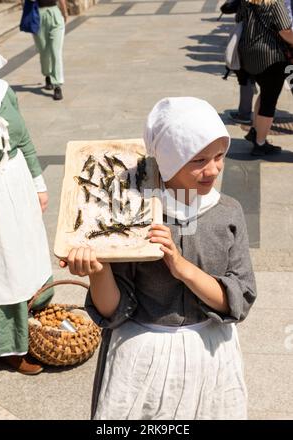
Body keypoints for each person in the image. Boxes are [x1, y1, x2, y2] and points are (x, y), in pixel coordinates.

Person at [61, 97, 257, 420]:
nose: (213, 170)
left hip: (210, 360)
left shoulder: (228, 213)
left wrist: (182, 269)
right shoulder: (131, 214)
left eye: (219, 156)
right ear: (167, 160)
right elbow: (114, 310)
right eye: (198, 160)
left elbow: (238, 301)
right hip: (142, 363)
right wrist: (98, 270)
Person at [0, 44, 53, 374]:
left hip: (14, 183)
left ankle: (26, 329)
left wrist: (39, 184)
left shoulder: (3, 91)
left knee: (20, 258)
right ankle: (5, 347)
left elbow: (25, 138)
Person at [237, 0, 293, 155]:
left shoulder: (246, 1)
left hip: (248, 54)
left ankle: (255, 130)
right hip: (270, 56)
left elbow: (238, 20)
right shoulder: (275, 3)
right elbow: (285, 31)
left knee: (264, 93)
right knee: (269, 101)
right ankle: (260, 143)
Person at [33, 0, 68, 101]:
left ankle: (57, 85)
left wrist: (64, 12)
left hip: (55, 15)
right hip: (38, 15)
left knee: (55, 52)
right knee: (43, 51)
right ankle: (47, 74)